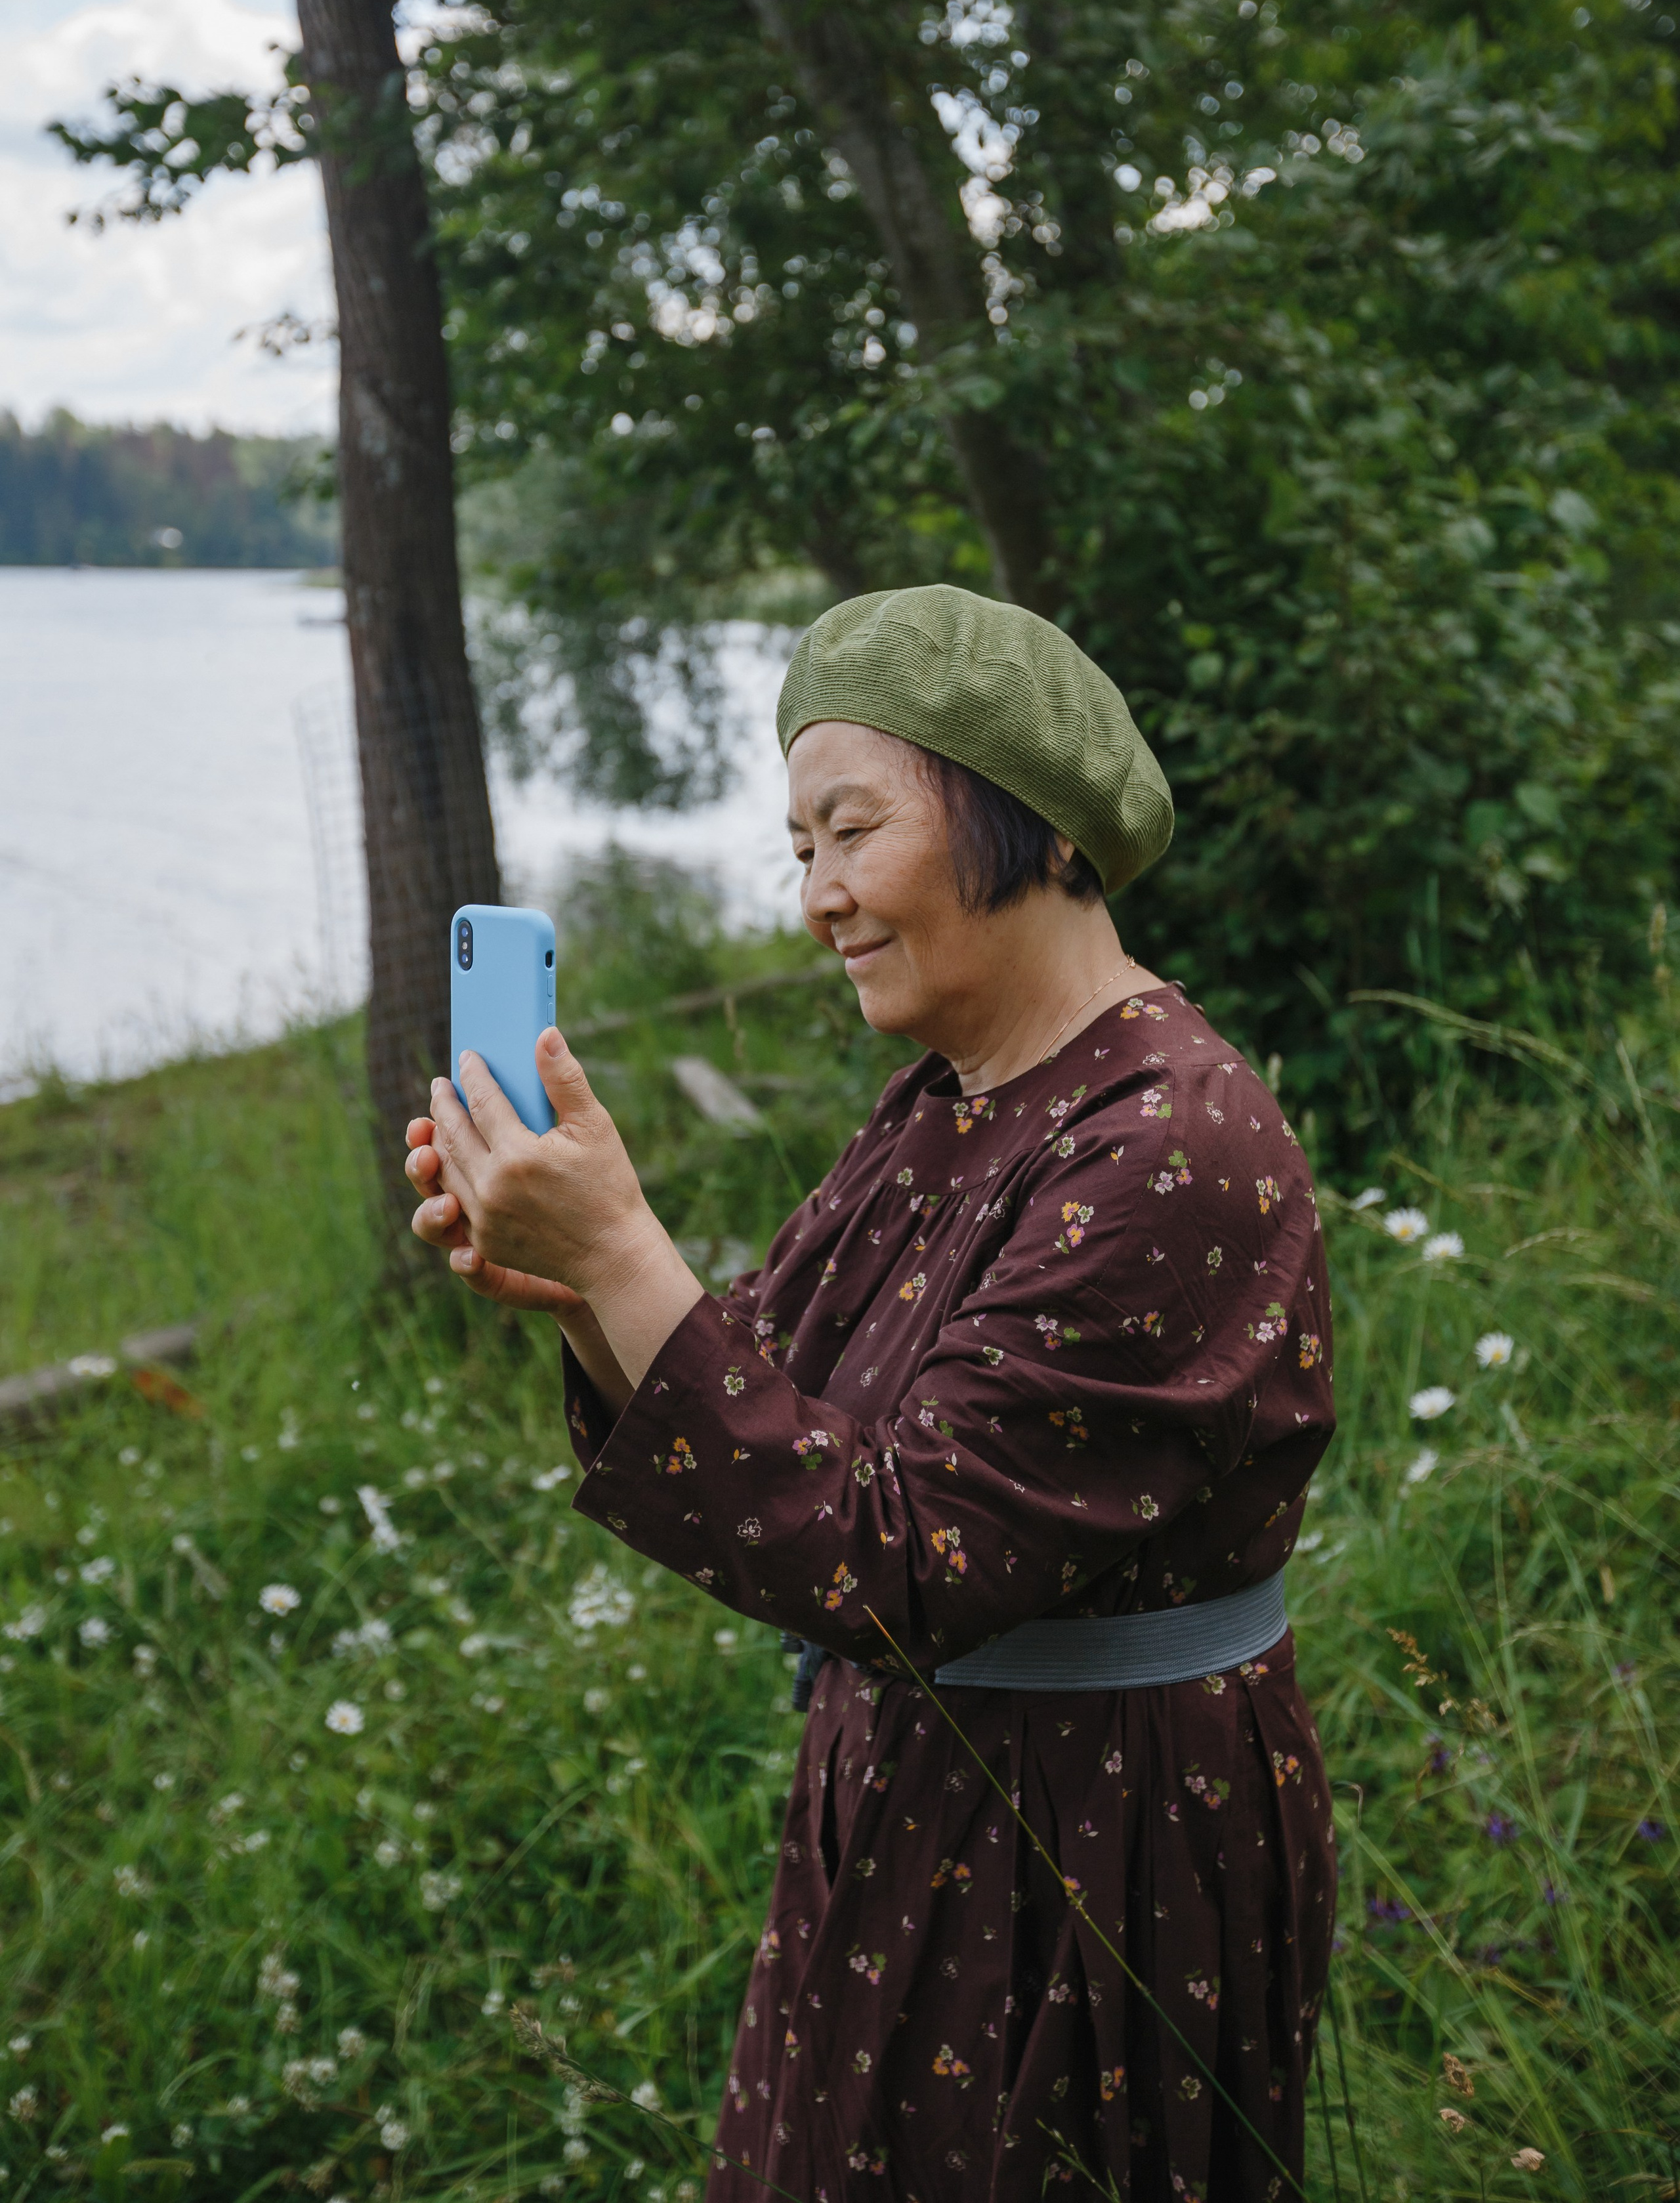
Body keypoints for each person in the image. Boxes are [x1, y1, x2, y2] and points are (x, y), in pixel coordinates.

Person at [405, 585, 1337, 2203]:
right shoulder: (949, 1100)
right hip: (920, 1790)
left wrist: (625, 1242)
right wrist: (576, 1282)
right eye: (798, 852)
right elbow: (766, 1385)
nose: (818, 898)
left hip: (1094, 1841)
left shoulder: (1165, 1149)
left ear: (1031, 824)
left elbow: (890, 1561)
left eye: (849, 833)